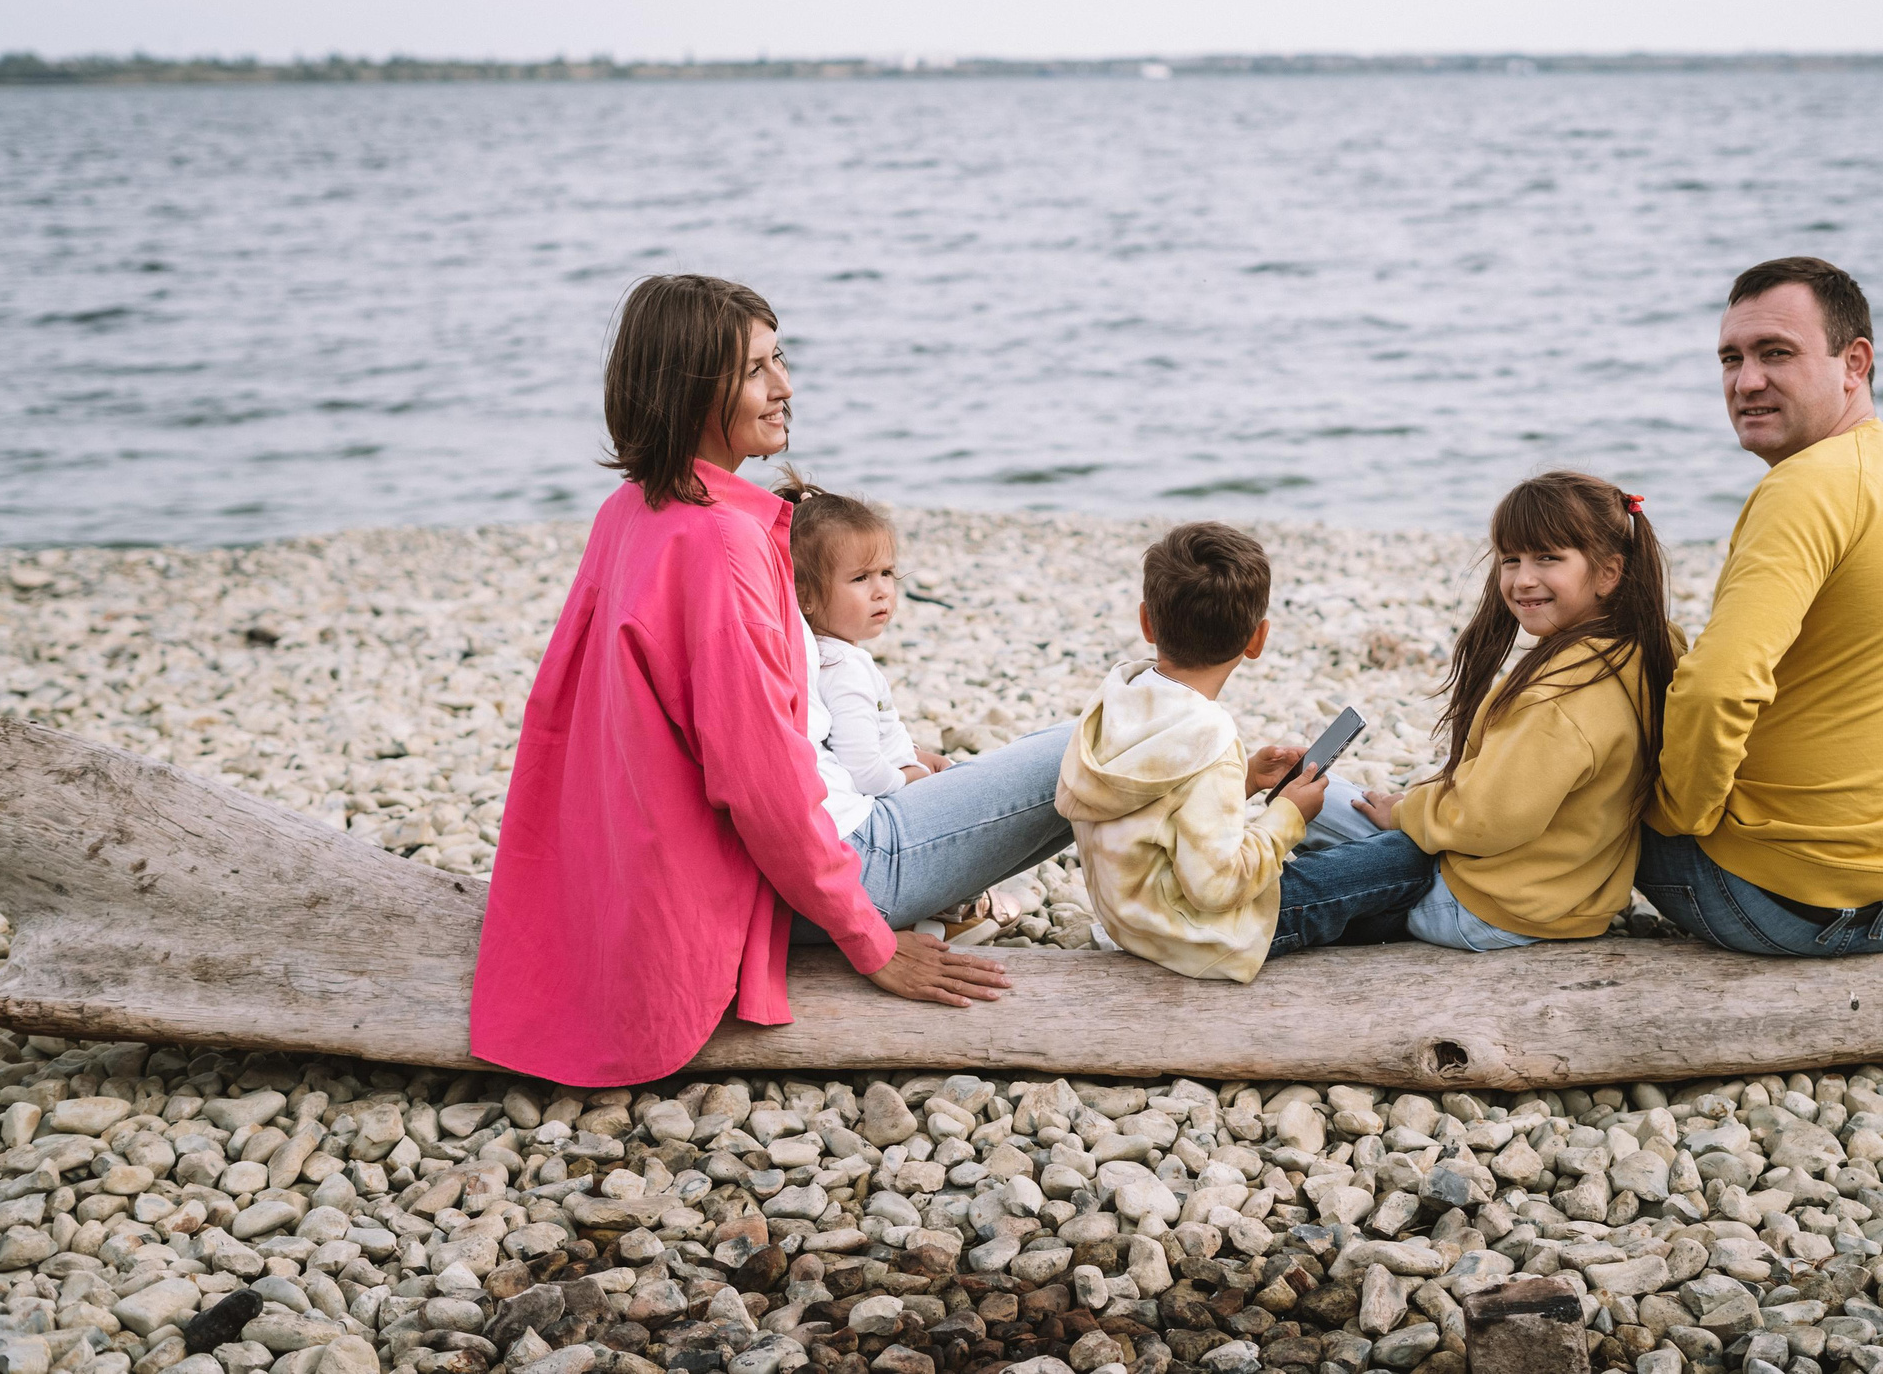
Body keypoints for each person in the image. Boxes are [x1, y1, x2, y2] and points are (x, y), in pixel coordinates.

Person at [470, 275, 1072, 1087]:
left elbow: (561, 728)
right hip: (813, 878)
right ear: (690, 389)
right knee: (1100, 747)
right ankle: (1273, 897)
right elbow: (762, 786)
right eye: (756, 369)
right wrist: (875, 943)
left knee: (1008, 761)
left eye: (778, 357)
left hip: (707, 879)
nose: (785, 385)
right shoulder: (723, 545)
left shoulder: (631, 511)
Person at [1640, 256, 1883, 957]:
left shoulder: (1806, 486)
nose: (1746, 380)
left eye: (1776, 353)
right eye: (1731, 358)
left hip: (1785, 900)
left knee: (1570, 776)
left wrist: (1674, 814)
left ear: (1854, 362)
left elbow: (1718, 689)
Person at [1276, 472, 1673, 954]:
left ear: (1609, 572)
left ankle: (1249, 912)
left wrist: (1408, 813)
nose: (1523, 579)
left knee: (1383, 857)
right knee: (1315, 791)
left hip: (1489, 906)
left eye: (1548, 557)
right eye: (1511, 559)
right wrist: (1418, 805)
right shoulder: (1644, 646)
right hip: (1559, 891)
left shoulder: (1561, 696)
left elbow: (1487, 822)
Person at [1055, 522, 1336, 983]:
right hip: (1202, 940)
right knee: (1393, 862)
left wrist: (1243, 781)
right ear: (1257, 639)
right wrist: (1287, 817)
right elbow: (1217, 887)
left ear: (1147, 621)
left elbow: (1157, 807)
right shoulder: (1210, 737)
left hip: (1131, 923)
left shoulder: (1118, 698)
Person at [778, 475, 952, 798]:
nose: (882, 591)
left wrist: (913, 752)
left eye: (886, 572)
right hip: (889, 802)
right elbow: (864, 772)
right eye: (860, 578)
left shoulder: (816, 655)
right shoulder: (845, 670)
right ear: (805, 596)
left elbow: (870, 738)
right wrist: (914, 775)